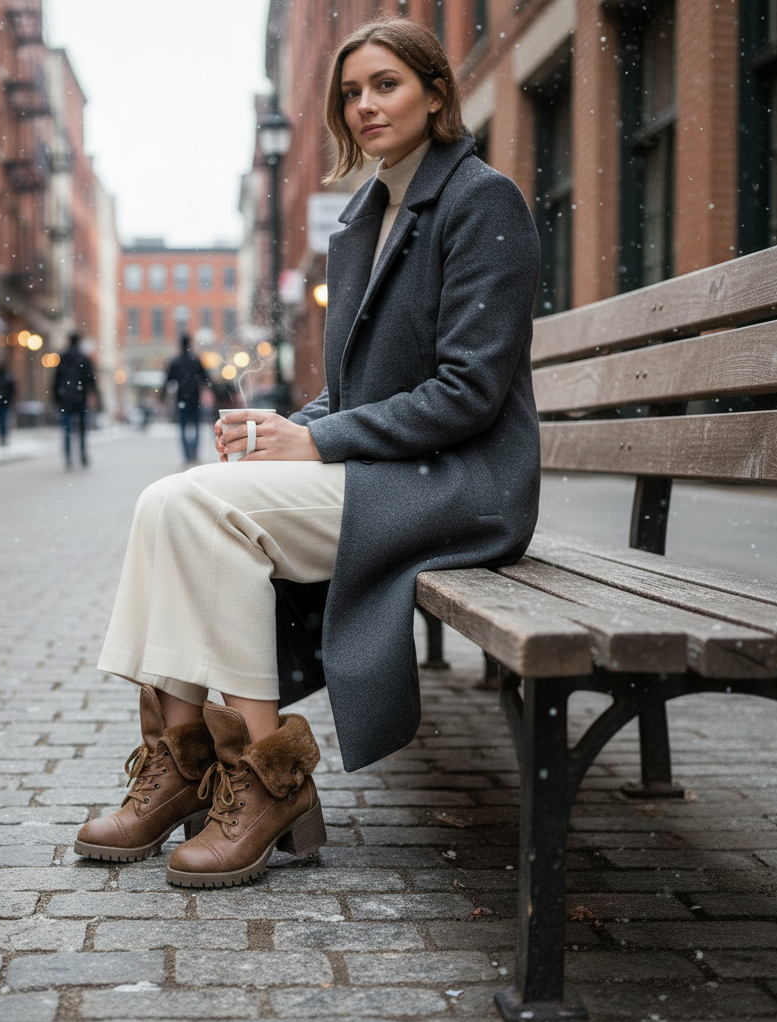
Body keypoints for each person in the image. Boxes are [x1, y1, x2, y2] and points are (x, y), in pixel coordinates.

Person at [75, 18, 540, 888]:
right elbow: (358, 387)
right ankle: (182, 762)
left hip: (467, 488)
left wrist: (318, 439)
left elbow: (469, 393)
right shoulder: (365, 216)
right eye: (352, 92)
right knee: (172, 498)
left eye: (387, 85)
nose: (365, 105)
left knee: (202, 510)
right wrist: (279, 430)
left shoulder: (482, 201)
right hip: (396, 471)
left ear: (437, 93)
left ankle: (268, 777)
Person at [165, 332, 213, 465]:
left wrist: (164, 396)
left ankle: (187, 455)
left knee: (183, 429)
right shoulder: (195, 360)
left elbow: (168, 380)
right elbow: (206, 378)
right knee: (196, 428)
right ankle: (194, 454)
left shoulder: (176, 361)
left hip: (181, 399)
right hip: (194, 399)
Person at [52, 331, 97, 468]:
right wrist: (94, 394)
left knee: (67, 428)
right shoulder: (83, 358)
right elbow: (90, 379)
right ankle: (82, 455)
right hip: (79, 397)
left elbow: (56, 379)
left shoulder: (62, 357)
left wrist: (56, 397)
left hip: (65, 397)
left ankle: (68, 456)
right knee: (82, 429)